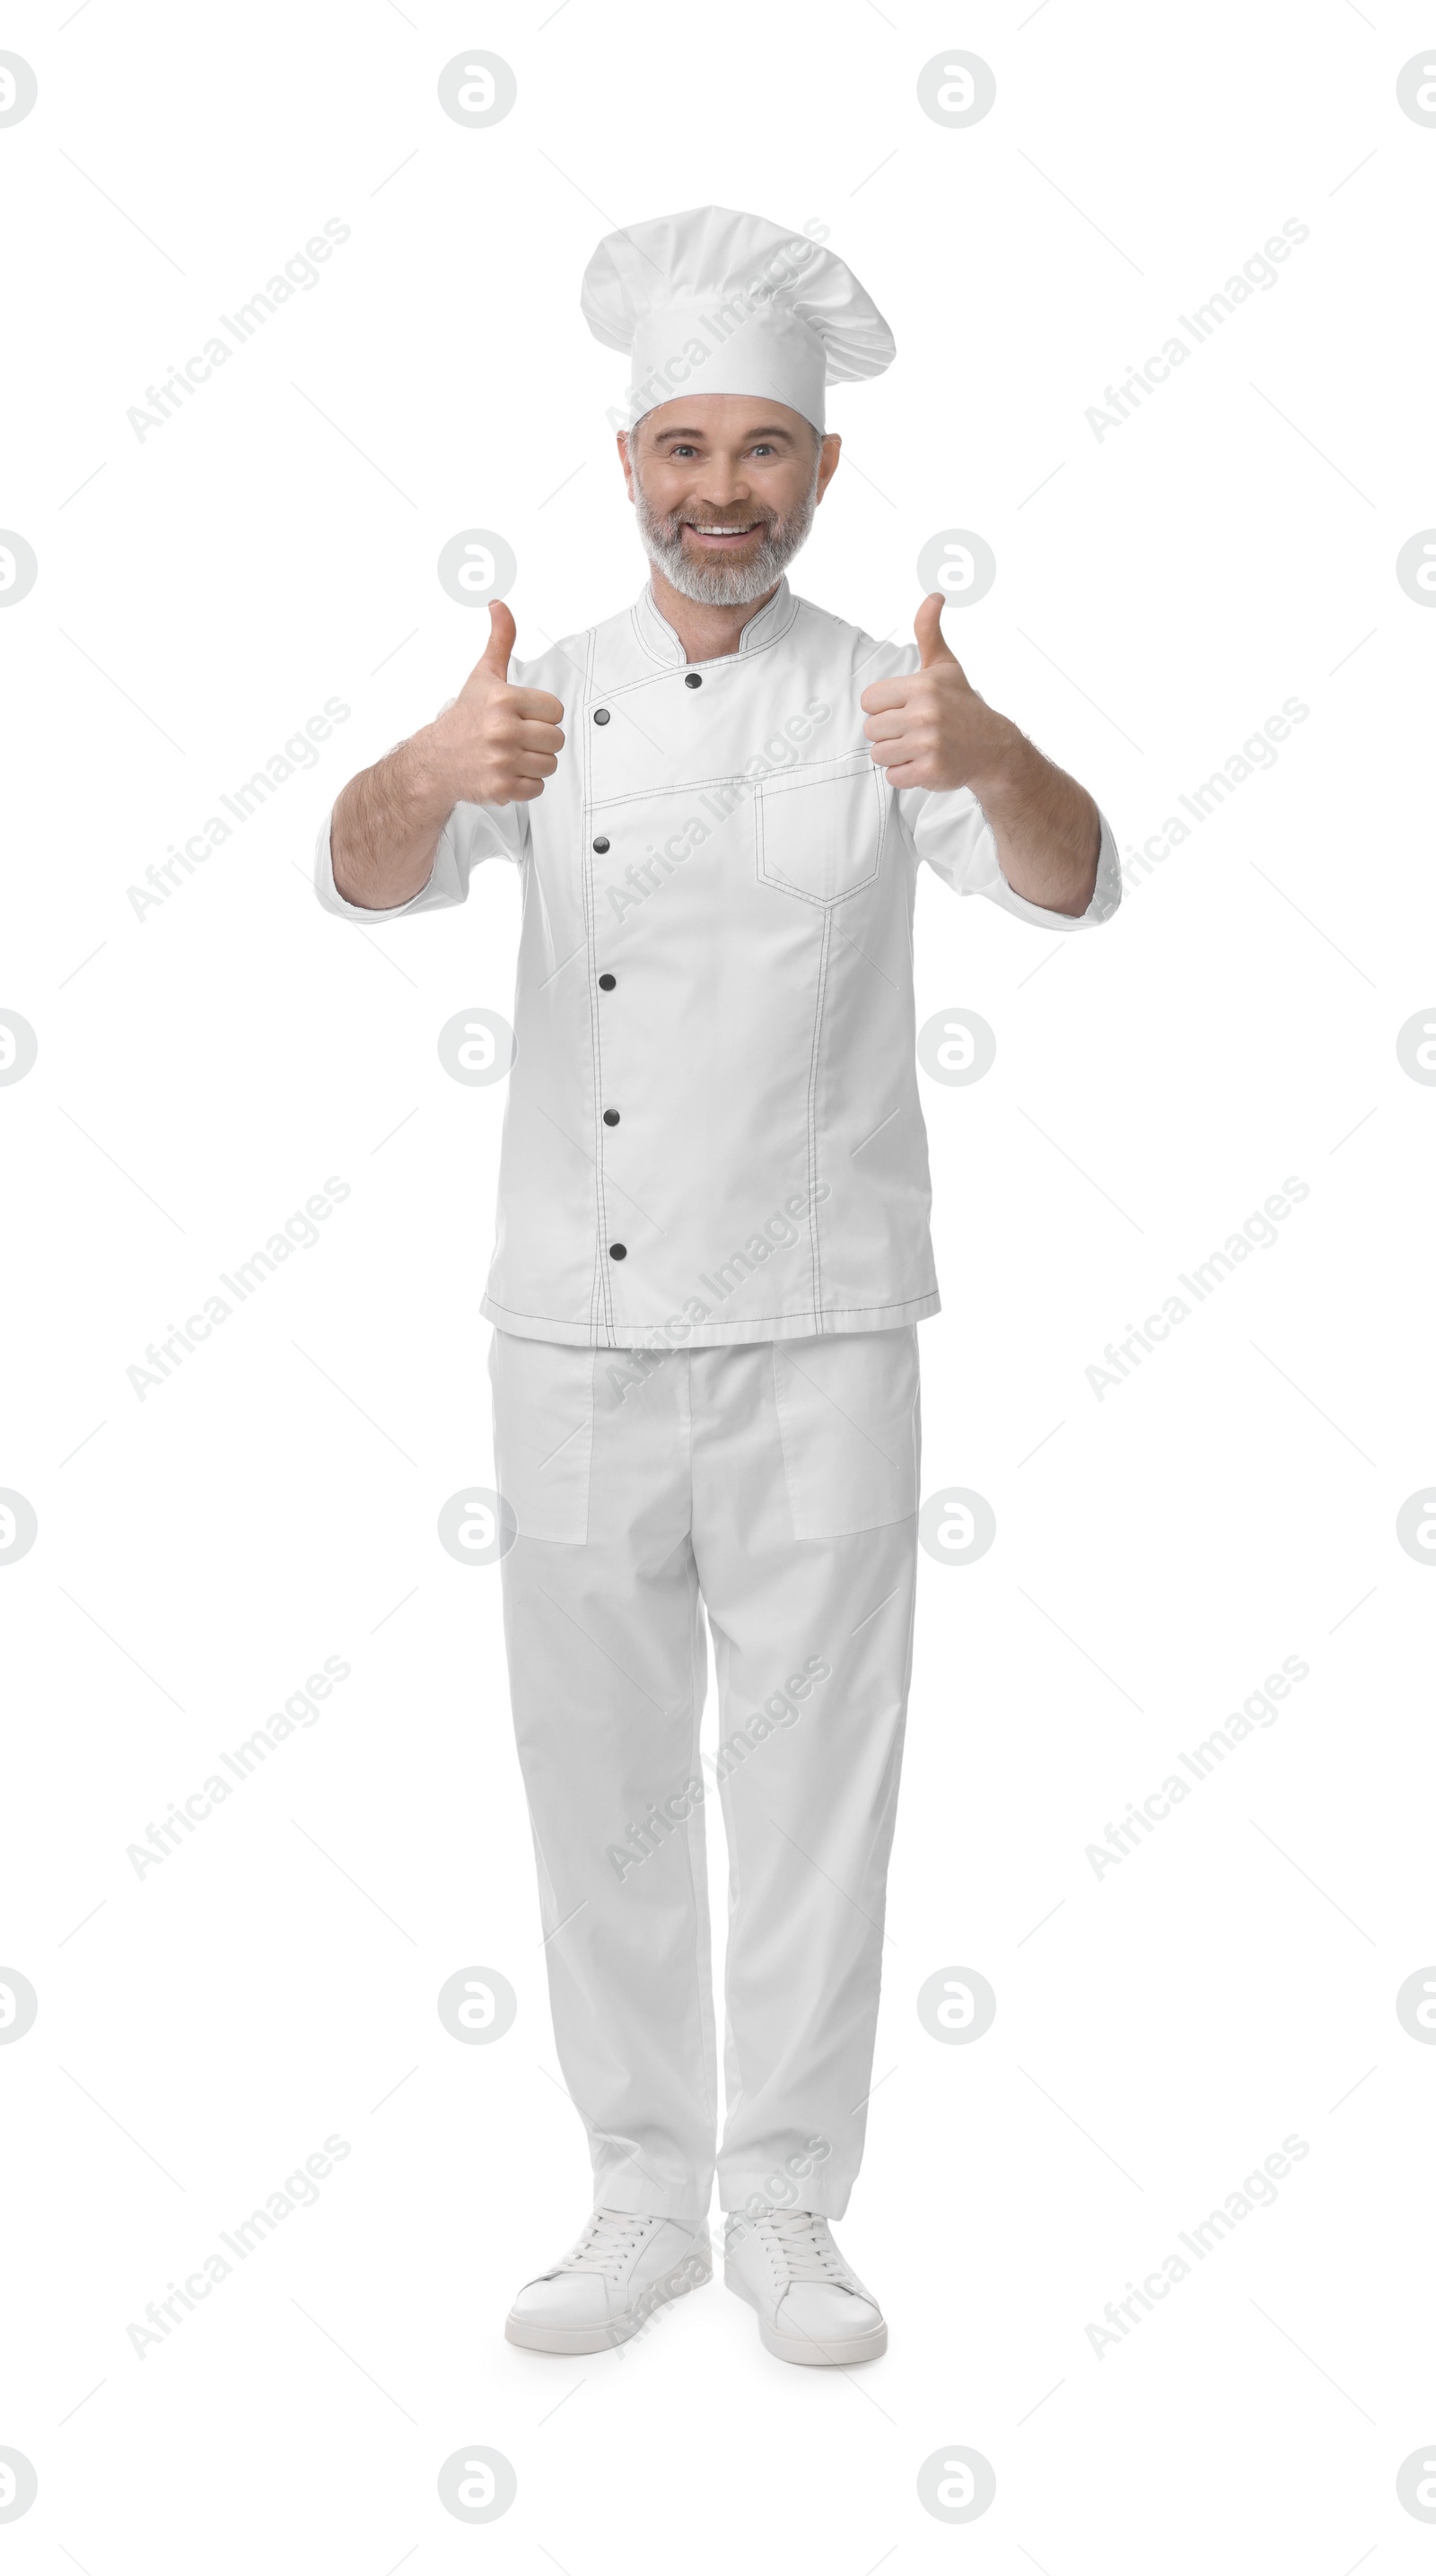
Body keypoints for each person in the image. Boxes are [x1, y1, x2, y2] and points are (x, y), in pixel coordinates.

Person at [315, 205, 1119, 2366]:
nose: (721, 489)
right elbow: (356, 873)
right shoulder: (541, 697)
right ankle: (637, 2191)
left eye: (763, 448)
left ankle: (785, 2201)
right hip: (569, 1337)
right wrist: (418, 773)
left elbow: (1071, 882)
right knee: (595, 1774)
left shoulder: (891, 699)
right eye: (684, 445)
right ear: (626, 461)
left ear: (824, 473)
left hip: (828, 1325)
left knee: (817, 1774)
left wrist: (994, 750)